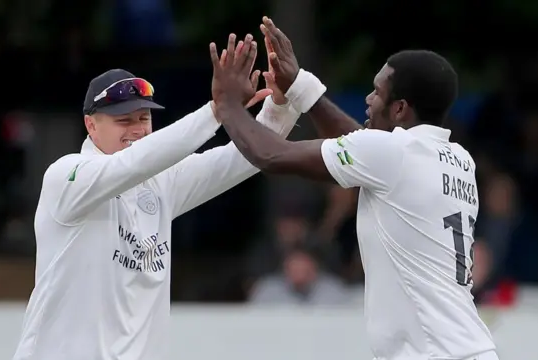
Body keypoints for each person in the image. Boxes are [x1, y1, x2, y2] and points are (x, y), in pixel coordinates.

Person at [12, 35, 325, 360]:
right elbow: (134, 162)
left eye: (143, 119)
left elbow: (242, 159)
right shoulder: (67, 177)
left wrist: (281, 104)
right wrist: (217, 111)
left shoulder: (160, 182)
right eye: (123, 120)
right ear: (91, 126)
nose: (137, 129)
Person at [208, 17, 498, 360]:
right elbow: (363, 148)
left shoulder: (393, 154)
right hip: (467, 348)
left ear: (400, 108)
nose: (368, 97)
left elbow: (272, 155)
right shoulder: (458, 159)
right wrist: (300, 86)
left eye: (377, 91)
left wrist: (226, 105)